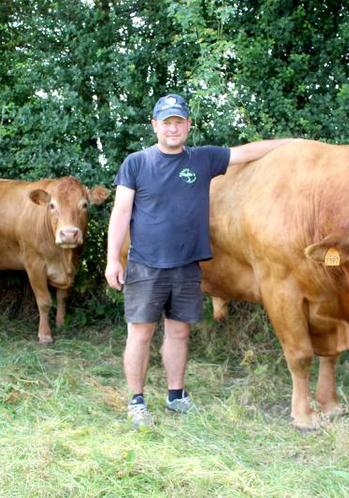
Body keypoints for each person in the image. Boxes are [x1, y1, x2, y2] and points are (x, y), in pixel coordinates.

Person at [105, 93, 292, 429]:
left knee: (178, 334)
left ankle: (176, 396)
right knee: (141, 334)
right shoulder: (136, 163)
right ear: (155, 126)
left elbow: (246, 153)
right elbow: (120, 213)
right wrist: (111, 261)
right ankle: (137, 401)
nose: (173, 128)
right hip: (145, 265)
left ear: (188, 125)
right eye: (167, 122)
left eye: (179, 122)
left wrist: (294, 144)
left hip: (188, 266)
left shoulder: (203, 159)